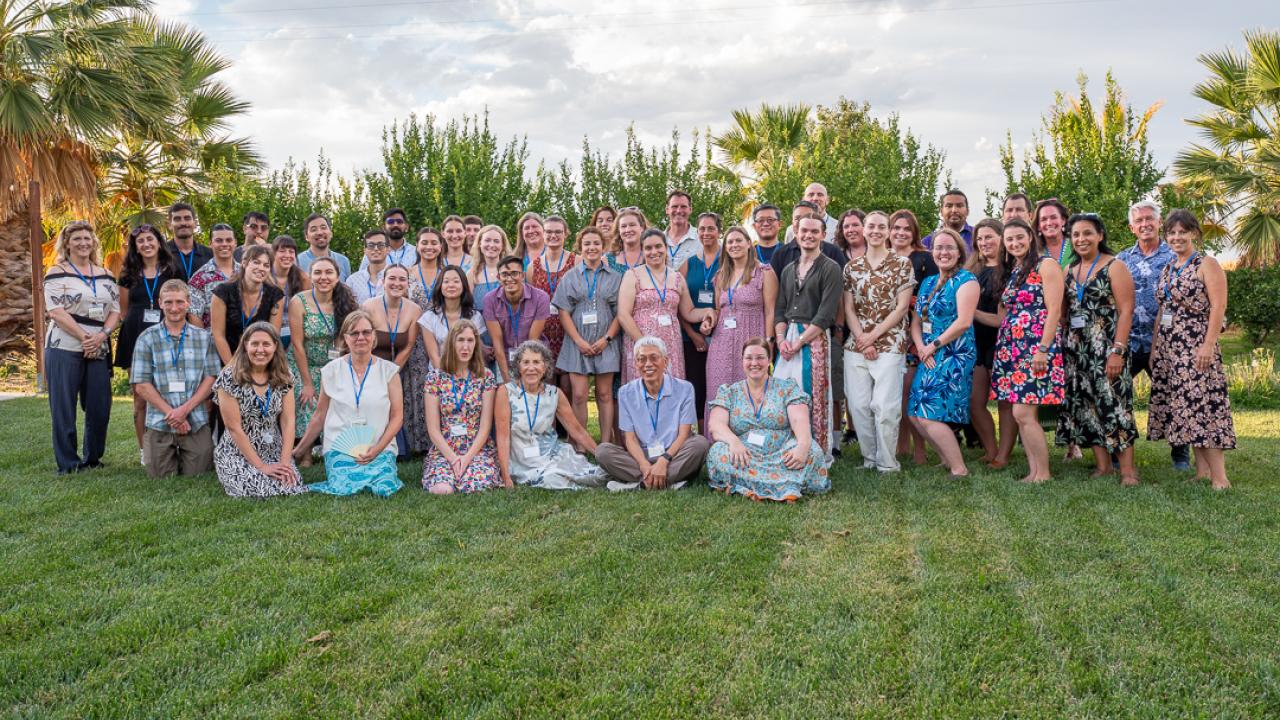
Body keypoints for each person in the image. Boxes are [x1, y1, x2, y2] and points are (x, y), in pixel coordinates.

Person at [1147, 210, 1234, 490]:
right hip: (1170, 349)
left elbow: (1219, 307)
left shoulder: (1206, 263)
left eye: (1182, 232)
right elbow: (1163, 309)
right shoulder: (1169, 267)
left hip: (1196, 345)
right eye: (1171, 232)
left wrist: (1208, 345)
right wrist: (1155, 348)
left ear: (1194, 233)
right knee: (1185, 408)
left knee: (1203, 407)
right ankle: (1202, 471)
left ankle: (1220, 477)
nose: (1176, 237)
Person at [1056, 213, 1139, 484]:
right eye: (1076, 235)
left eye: (1087, 233)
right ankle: (1104, 467)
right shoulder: (1069, 270)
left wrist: (1118, 350)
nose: (1081, 239)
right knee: (1087, 406)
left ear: (1100, 236)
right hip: (1078, 350)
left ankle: (1128, 471)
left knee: (1114, 405)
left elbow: (1127, 311)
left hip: (1106, 348)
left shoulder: (1115, 266)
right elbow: (1064, 311)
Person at [990, 218, 1065, 484]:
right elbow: (1004, 314)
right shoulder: (1015, 270)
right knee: (1020, 415)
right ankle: (1033, 471)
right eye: (1009, 240)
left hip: (1035, 347)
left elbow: (1054, 310)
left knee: (1023, 413)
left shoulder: (1046, 265)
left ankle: (1043, 473)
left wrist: (1043, 349)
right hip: (1012, 349)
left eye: (1019, 237)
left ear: (1031, 237)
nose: (1015, 243)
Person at [706, 338, 828, 502]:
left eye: (760, 357)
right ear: (742, 360)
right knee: (718, 451)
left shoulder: (787, 388)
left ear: (769, 359)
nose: (754, 363)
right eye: (749, 358)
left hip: (782, 451)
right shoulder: (729, 392)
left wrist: (803, 446)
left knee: (812, 451)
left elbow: (799, 419)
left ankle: (746, 484)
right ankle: (785, 485)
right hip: (745, 453)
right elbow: (716, 425)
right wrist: (734, 442)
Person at [298, 310, 405, 496]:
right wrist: (298, 451)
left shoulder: (389, 371)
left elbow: (397, 417)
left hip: (379, 447)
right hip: (340, 447)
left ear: (373, 336)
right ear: (345, 339)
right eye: (354, 333)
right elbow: (319, 415)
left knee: (384, 488)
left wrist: (377, 449)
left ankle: (380, 468)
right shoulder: (331, 371)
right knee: (345, 488)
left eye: (366, 332)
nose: (360, 337)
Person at [44, 221, 120, 475]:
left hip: (98, 343)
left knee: (99, 405)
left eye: (87, 238)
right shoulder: (56, 272)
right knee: (64, 406)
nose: (83, 243)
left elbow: (116, 311)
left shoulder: (106, 274)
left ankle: (93, 458)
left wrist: (101, 337)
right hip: (64, 344)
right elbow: (55, 311)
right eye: (77, 238)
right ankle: (68, 463)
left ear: (93, 242)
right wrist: (84, 336)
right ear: (67, 243)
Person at [1118, 199, 1188, 470]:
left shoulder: (1176, 256)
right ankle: (1118, 450)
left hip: (1166, 342)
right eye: (1139, 221)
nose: (1145, 224)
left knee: (1173, 395)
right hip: (1130, 340)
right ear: (1131, 227)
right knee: (1117, 394)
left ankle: (1180, 453)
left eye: (1150, 219)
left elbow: (1199, 288)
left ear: (1160, 223)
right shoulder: (1122, 259)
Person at [843, 211, 915, 473]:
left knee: (885, 406)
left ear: (888, 232)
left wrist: (873, 337)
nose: (875, 231)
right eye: (871, 226)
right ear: (863, 230)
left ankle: (887, 462)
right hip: (857, 344)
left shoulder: (902, 264)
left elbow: (901, 308)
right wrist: (863, 338)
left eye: (881, 227)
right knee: (859, 406)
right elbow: (849, 308)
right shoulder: (852, 267)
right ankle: (869, 458)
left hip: (890, 342)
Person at [906, 229, 979, 476]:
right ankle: (946, 459)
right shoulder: (927, 282)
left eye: (949, 247)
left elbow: (963, 322)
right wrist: (920, 347)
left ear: (959, 252)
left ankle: (959, 468)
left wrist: (933, 346)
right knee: (915, 413)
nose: (943, 252)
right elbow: (916, 321)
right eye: (938, 247)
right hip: (927, 353)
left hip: (953, 352)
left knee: (928, 414)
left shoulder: (966, 281)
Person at [596, 336, 711, 491]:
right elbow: (629, 439)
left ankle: (641, 485)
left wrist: (664, 461)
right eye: (641, 359)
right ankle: (668, 482)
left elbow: (684, 434)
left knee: (700, 444)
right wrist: (644, 465)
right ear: (636, 364)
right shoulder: (625, 393)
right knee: (603, 451)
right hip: (641, 458)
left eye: (654, 358)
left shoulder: (684, 388)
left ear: (666, 361)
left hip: (673, 455)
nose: (648, 364)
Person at [131, 280, 220, 478]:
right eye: (169, 302)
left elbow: (211, 378)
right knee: (160, 477)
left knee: (199, 474)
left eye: (180, 302)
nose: (174, 308)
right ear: (160, 303)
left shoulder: (204, 338)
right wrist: (173, 415)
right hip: (160, 421)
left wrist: (184, 411)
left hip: (194, 420)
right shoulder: (146, 338)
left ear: (188, 302)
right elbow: (142, 385)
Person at [774, 214, 843, 459]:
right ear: (796, 233)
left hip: (813, 337)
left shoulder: (830, 268)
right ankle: (785, 448)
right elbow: (780, 308)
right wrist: (781, 339)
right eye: (804, 231)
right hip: (789, 335)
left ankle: (815, 452)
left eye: (815, 231)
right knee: (782, 392)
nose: (808, 235)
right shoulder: (788, 269)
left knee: (812, 394)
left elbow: (825, 314)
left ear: (823, 235)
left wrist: (799, 342)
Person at [496, 341, 610, 489]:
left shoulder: (554, 393)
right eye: (526, 362)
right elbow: (503, 436)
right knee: (553, 479)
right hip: (522, 460)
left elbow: (577, 430)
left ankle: (613, 480)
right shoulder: (506, 392)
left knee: (591, 472)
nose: (531, 368)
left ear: (545, 367)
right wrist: (506, 477)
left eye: (537, 362)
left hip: (554, 454)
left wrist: (602, 456)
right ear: (518, 366)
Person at [212, 322, 304, 497]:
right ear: (245, 345)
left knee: (291, 485)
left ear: (275, 346)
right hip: (238, 451)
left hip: (273, 448)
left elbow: (288, 420)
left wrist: (285, 462)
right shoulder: (229, 378)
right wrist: (261, 466)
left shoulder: (285, 375)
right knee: (260, 489)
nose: (260, 349)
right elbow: (234, 428)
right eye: (255, 344)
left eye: (266, 344)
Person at [114, 224, 181, 464]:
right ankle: (145, 451)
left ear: (158, 242)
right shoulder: (127, 274)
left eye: (150, 239)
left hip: (168, 338)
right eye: (140, 241)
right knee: (140, 397)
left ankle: (173, 444)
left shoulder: (173, 270)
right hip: (136, 337)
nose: (146, 244)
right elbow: (123, 311)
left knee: (170, 392)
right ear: (135, 247)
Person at [553, 226, 623, 444]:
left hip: (607, 342)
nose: (591, 247)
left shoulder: (616, 277)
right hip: (577, 342)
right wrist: (578, 341)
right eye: (587, 244)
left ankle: (605, 444)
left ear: (603, 247)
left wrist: (607, 339)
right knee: (580, 395)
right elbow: (563, 311)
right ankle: (582, 445)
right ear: (580, 248)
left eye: (596, 243)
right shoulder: (570, 277)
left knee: (604, 394)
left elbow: (621, 312)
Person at [700, 225, 777, 418]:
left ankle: (750, 442)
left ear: (749, 244)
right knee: (719, 391)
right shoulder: (721, 276)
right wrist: (709, 321)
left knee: (751, 393)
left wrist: (769, 343)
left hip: (752, 338)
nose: (734, 245)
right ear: (725, 247)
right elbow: (719, 309)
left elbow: (770, 311)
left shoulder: (764, 272)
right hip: (722, 343)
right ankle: (718, 442)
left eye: (738, 240)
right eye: (730, 242)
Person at [289, 257, 358, 465]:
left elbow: (341, 341)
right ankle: (305, 453)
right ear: (310, 276)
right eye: (318, 273)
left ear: (337, 277)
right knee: (307, 398)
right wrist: (308, 382)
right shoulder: (298, 301)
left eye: (328, 272)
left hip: (332, 363)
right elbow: (297, 344)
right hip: (303, 363)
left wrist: (333, 371)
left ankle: (334, 447)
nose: (323, 277)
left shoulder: (345, 302)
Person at [421, 319, 503, 493]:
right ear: (451, 343)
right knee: (442, 489)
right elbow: (433, 428)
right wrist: (453, 459)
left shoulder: (485, 376)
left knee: (476, 485)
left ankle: (469, 470)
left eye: (470, 340)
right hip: (445, 448)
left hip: (476, 448)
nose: (465, 346)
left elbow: (485, 426)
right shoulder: (435, 377)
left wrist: (466, 458)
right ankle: (448, 472)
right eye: (460, 340)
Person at [617, 228, 704, 384]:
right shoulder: (633, 275)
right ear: (642, 251)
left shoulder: (677, 277)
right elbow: (623, 314)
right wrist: (645, 344)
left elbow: (689, 312)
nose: (654, 251)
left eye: (658, 246)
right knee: (643, 390)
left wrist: (709, 311)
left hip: (670, 344)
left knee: (670, 389)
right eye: (648, 248)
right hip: (641, 343)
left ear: (665, 248)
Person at [889, 209, 937, 465]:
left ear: (914, 233)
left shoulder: (924, 259)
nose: (901, 233)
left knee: (910, 390)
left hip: (915, 332)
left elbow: (932, 295)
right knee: (893, 391)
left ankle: (919, 447)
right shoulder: (882, 257)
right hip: (887, 333)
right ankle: (900, 443)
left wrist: (912, 303)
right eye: (896, 228)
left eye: (906, 229)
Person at [965, 219, 1008, 463]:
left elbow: (1002, 321)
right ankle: (990, 449)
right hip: (976, 342)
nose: (984, 242)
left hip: (1002, 342)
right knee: (974, 402)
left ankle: (1003, 454)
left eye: (989, 236)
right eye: (980, 238)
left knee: (1005, 404)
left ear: (1002, 238)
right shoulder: (972, 271)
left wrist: (970, 312)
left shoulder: (1010, 271)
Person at [676, 211, 723, 429]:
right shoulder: (688, 264)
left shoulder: (729, 260)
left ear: (719, 231)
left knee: (720, 385)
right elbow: (677, 303)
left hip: (722, 334)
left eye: (711, 228)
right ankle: (704, 433)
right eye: (702, 229)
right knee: (697, 385)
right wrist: (693, 334)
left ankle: (721, 428)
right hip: (691, 336)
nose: (706, 233)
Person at [210, 245, 284, 364]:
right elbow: (218, 335)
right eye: (256, 262)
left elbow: (273, 336)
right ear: (244, 263)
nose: (261, 268)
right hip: (227, 358)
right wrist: (232, 368)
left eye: (266, 265)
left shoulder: (276, 295)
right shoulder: (222, 292)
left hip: (261, 358)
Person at [484, 255, 552, 382]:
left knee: (532, 396)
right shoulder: (490, 300)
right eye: (504, 274)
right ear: (498, 278)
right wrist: (508, 382)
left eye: (514, 273)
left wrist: (525, 375)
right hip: (504, 357)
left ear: (523, 275)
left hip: (533, 356)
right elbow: (497, 342)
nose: (509, 279)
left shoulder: (540, 298)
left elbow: (533, 341)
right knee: (505, 396)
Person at [527, 215, 577, 364]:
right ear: (543, 234)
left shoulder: (577, 262)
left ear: (566, 234)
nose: (553, 235)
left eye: (558, 232)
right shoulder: (532, 267)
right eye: (548, 232)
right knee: (547, 380)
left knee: (569, 382)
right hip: (543, 331)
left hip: (570, 330)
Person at [769, 201, 848, 278]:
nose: (802, 221)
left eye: (807, 216)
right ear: (792, 222)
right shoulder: (780, 255)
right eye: (797, 218)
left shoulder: (833, 252)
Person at [188, 224, 239, 328]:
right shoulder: (199, 278)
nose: (224, 244)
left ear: (235, 243)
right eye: (219, 240)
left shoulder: (245, 272)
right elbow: (194, 316)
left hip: (245, 340)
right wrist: (206, 342)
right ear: (210, 243)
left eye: (229, 240)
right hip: (212, 341)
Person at [268, 235, 308, 352]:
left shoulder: (301, 278)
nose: (287, 255)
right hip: (270, 331)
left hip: (294, 332)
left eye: (291, 252)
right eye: (282, 251)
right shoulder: (266, 275)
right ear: (274, 253)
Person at [297, 213, 352, 280]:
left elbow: (347, 289)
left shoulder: (343, 261)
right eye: (313, 229)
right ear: (306, 236)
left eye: (323, 228)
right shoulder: (297, 262)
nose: (319, 232)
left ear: (331, 233)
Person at [166, 202, 212, 282]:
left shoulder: (209, 255)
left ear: (195, 223)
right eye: (177, 219)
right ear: (169, 224)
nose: (183, 223)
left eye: (187, 218)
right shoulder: (161, 253)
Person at [469, 224, 510, 303]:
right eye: (487, 240)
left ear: (503, 246)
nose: (491, 245)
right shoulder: (472, 274)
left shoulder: (511, 271)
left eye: (496, 241)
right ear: (479, 244)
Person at [347, 229, 390, 304]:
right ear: (365, 250)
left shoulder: (396, 279)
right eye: (371, 245)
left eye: (381, 245)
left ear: (388, 249)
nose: (376, 249)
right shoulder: (352, 281)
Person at [1034, 197, 1075, 268]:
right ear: (1038, 226)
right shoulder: (1033, 252)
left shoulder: (1076, 245)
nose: (1049, 223)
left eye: (1053, 217)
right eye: (1043, 219)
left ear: (1063, 220)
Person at [664, 190, 700, 268]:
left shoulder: (701, 238)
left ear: (690, 210)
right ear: (667, 210)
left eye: (683, 207)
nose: (679, 211)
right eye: (674, 206)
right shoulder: (658, 239)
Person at [606, 207, 647, 273]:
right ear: (619, 230)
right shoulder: (608, 260)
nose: (628, 230)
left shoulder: (652, 255)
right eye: (623, 226)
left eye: (632, 225)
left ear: (642, 227)